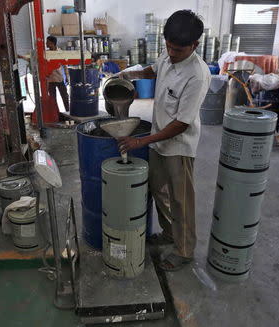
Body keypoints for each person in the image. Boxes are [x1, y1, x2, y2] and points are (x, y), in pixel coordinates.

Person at [117, 10, 211, 271]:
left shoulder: (197, 75)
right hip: (158, 140)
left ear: (195, 45)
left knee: (182, 201)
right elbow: (154, 69)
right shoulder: (168, 55)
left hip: (179, 148)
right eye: (168, 46)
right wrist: (131, 75)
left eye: (178, 50)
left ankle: (184, 250)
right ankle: (170, 234)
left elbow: (182, 123)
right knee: (159, 191)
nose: (171, 53)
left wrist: (141, 141)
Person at [46, 36, 70, 111]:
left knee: (65, 98)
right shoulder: (46, 53)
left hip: (59, 79)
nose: (46, 44)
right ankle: (57, 114)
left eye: (47, 42)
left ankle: (68, 113)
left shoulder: (60, 53)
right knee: (53, 100)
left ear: (52, 43)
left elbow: (65, 66)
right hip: (50, 80)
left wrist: (67, 77)